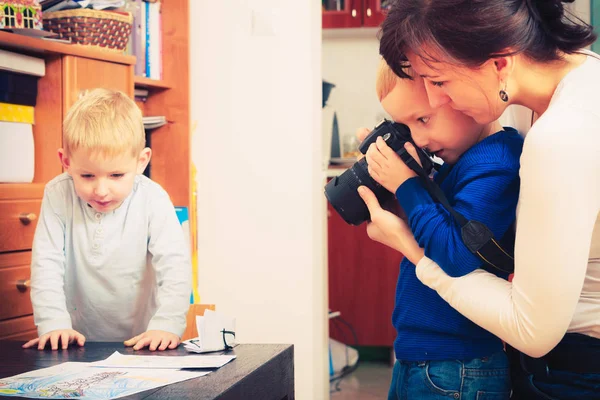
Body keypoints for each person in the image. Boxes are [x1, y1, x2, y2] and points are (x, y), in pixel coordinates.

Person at [361, 0, 600, 398]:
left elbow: (532, 331)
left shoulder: (563, 134)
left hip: (577, 370)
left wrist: (412, 247)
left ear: (498, 64)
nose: (435, 100)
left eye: (438, 81)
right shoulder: (557, 89)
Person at [360, 59, 523, 400]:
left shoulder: (495, 161)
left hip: (459, 365)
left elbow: (455, 253)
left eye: (423, 119)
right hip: (423, 357)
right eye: (404, 125)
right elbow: (435, 232)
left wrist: (407, 184)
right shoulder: (457, 161)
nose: (418, 138)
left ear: (460, 96)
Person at [23, 88, 191, 352]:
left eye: (116, 175)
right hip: (75, 339)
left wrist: (167, 324)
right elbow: (46, 263)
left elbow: (174, 266)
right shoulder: (57, 194)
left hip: (142, 339)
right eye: (87, 176)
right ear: (66, 162)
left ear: (141, 161)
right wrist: (53, 322)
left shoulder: (153, 199)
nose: (101, 190)